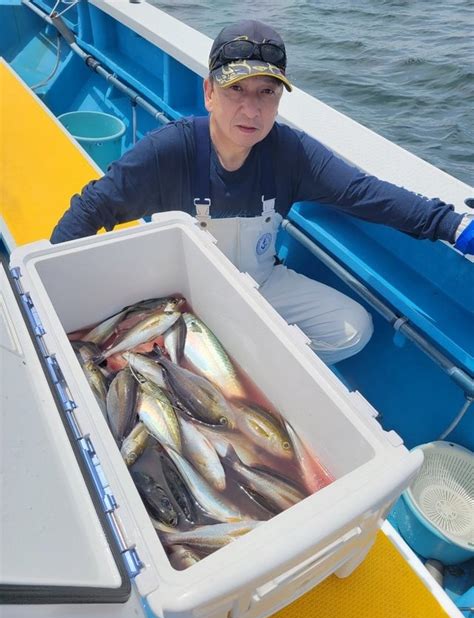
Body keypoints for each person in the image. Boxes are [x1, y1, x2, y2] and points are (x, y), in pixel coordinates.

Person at [51, 20, 474, 365]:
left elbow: (365, 193)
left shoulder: (292, 154)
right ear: (209, 92)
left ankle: (254, 372)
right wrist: (53, 290)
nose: (251, 109)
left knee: (352, 327)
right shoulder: (171, 149)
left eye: (266, 93)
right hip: (178, 298)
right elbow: (92, 207)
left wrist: (453, 226)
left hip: (259, 282)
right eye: (236, 88)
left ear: (278, 100)